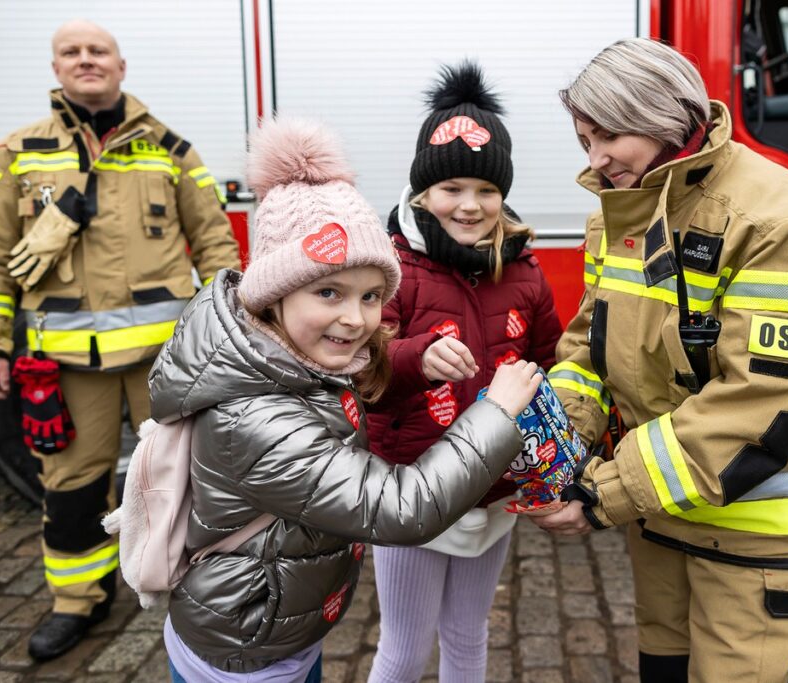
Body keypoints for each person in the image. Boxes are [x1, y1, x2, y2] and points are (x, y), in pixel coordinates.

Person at [150, 116, 543, 682]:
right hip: (246, 653)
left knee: (465, 634)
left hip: (282, 631)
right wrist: (494, 414)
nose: (357, 320)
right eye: (328, 291)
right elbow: (398, 508)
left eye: (370, 298)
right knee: (404, 649)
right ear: (274, 292)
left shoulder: (296, 366)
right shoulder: (258, 415)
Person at [534, 38, 788, 682]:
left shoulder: (780, 218)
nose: (596, 161)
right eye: (583, 141)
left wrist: (603, 491)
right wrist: (561, 441)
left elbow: (770, 398)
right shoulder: (622, 213)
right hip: (667, 518)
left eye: (608, 136)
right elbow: (588, 349)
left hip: (764, 544)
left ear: (662, 116)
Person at [0, 19, 240, 660]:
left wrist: (229, 332)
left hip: (169, 364)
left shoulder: (169, 149)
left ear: (120, 64)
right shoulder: (16, 154)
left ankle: (203, 595)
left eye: (97, 51)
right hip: (66, 364)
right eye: (71, 52)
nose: (86, 60)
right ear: (56, 68)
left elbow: (217, 244)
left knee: (191, 479)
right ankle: (79, 601)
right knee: (73, 486)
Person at [366, 62, 563, 683]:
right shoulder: (388, 267)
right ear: (422, 192)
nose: (470, 206)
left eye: (486, 190)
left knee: (468, 635)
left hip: (496, 491)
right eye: (452, 189)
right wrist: (413, 357)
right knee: (403, 648)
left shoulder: (524, 271)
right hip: (411, 491)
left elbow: (552, 362)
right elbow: (357, 370)